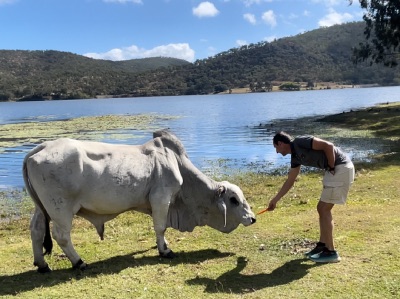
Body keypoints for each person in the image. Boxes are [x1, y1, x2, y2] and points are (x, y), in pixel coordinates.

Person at [268, 131, 355, 263]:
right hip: (335, 170)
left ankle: (331, 252)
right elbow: (290, 180)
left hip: (340, 168)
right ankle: (322, 245)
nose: (276, 152)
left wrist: (331, 166)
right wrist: (275, 200)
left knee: (324, 209)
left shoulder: (299, 142)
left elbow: (328, 146)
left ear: (280, 143)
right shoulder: (295, 158)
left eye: (276, 147)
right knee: (321, 208)